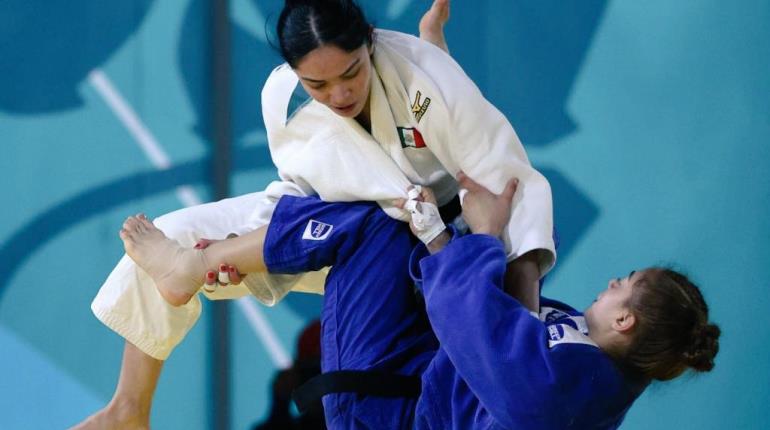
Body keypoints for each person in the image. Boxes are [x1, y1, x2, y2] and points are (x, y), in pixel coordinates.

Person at [75, 0, 556, 427]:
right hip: (338, 237)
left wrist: (517, 340)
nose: (339, 95)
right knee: (174, 233)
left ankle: (197, 265)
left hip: (430, 249)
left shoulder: (425, 81)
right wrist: (243, 255)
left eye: (351, 73)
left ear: (370, 41)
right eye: (318, 84)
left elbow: (516, 193)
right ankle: (128, 409)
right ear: (293, 71)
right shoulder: (283, 98)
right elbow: (300, 198)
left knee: (372, 224)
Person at [114, 174, 720, 429]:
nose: (611, 282)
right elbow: (505, 321)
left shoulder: (572, 391)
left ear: (626, 318)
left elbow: (477, 322)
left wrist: (473, 238)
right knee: (392, 210)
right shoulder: (590, 364)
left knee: (371, 224)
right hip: (413, 376)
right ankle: (203, 272)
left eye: (623, 281)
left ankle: (190, 266)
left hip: (382, 412)